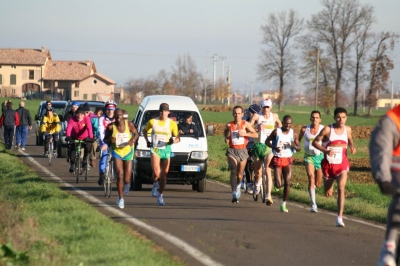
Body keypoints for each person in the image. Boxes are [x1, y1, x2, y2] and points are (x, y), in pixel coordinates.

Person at [312, 107, 356, 227]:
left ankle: (339, 218)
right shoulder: (327, 129)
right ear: (334, 118)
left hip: (342, 164)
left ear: (346, 118)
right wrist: (325, 151)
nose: (341, 120)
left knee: (341, 187)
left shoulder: (348, 129)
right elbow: (315, 142)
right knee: (328, 193)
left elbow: (350, 140)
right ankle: (327, 188)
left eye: (343, 117)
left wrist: (352, 146)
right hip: (329, 165)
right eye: (338, 117)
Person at [369, 105, 400, 266]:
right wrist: (383, 179)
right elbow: (381, 150)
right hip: (395, 168)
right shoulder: (392, 119)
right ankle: (388, 246)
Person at [143, 103, 180, 206]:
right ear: (159, 112)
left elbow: (177, 138)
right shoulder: (153, 122)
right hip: (155, 149)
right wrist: (147, 141)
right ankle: (155, 184)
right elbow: (144, 131)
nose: (163, 113)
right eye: (161, 111)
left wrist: (173, 141)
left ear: (168, 112)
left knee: (164, 175)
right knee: (156, 171)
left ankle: (160, 194)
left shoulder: (172, 123)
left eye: (165, 111)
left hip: (166, 149)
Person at [104, 109, 139, 209]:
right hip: (117, 153)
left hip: (128, 152)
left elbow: (136, 134)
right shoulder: (111, 127)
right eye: (116, 115)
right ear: (114, 117)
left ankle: (127, 184)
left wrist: (133, 139)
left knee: (127, 179)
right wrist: (111, 140)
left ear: (123, 116)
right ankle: (120, 199)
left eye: (119, 115)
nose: (118, 117)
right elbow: (105, 139)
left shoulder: (129, 125)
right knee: (120, 175)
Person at [265, 115, 301, 212]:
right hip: (278, 158)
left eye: (290, 124)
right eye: (286, 123)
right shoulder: (277, 132)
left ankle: (283, 204)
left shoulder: (294, 134)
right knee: (278, 184)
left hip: (288, 159)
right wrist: (274, 147)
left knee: (288, 182)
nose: (287, 125)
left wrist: (294, 146)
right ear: (282, 122)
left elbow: (299, 148)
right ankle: (276, 183)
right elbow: (267, 141)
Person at [224, 105, 258, 203]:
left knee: (239, 175)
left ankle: (238, 186)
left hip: (243, 151)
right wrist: (226, 137)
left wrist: (245, 134)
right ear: (233, 114)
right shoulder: (229, 125)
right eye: (235, 113)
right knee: (233, 171)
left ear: (242, 114)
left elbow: (255, 134)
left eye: (239, 113)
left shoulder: (245, 124)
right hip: (232, 151)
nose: (237, 115)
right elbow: (226, 132)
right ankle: (234, 193)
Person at [251, 98, 282, 205]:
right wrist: (256, 128)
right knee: (258, 172)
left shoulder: (274, 116)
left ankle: (268, 195)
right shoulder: (257, 116)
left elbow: (280, 125)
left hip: (269, 147)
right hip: (258, 146)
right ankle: (257, 184)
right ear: (261, 107)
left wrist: (280, 134)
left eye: (268, 107)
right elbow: (248, 127)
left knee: (268, 170)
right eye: (264, 107)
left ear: (271, 107)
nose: (266, 109)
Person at [298, 110, 324, 213]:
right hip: (309, 157)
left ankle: (314, 189)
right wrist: (296, 146)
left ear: (320, 119)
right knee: (311, 177)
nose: (315, 119)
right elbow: (297, 140)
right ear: (310, 119)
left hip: (320, 157)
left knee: (318, 184)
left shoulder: (323, 129)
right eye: (313, 117)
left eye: (317, 117)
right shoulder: (305, 129)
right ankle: (314, 204)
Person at [65, 107, 94, 173]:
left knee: (88, 146)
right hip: (75, 137)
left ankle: (85, 161)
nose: (79, 116)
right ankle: (72, 164)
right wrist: (68, 136)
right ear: (75, 114)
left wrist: (91, 137)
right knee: (72, 148)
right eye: (78, 114)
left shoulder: (87, 119)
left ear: (84, 115)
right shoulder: (72, 119)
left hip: (85, 137)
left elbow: (89, 128)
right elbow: (69, 128)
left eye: (81, 114)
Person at [98, 100, 117, 185]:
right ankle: (102, 175)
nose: (110, 111)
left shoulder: (117, 118)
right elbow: (101, 131)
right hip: (104, 139)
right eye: (108, 109)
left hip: (115, 140)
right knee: (104, 156)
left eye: (112, 109)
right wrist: (104, 143)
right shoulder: (102, 118)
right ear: (105, 110)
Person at [83, 102, 99, 168]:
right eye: (84, 112)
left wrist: (95, 135)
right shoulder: (80, 117)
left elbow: (96, 128)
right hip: (82, 136)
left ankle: (93, 158)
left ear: (89, 112)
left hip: (91, 135)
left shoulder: (93, 118)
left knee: (94, 144)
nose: (85, 114)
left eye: (87, 112)